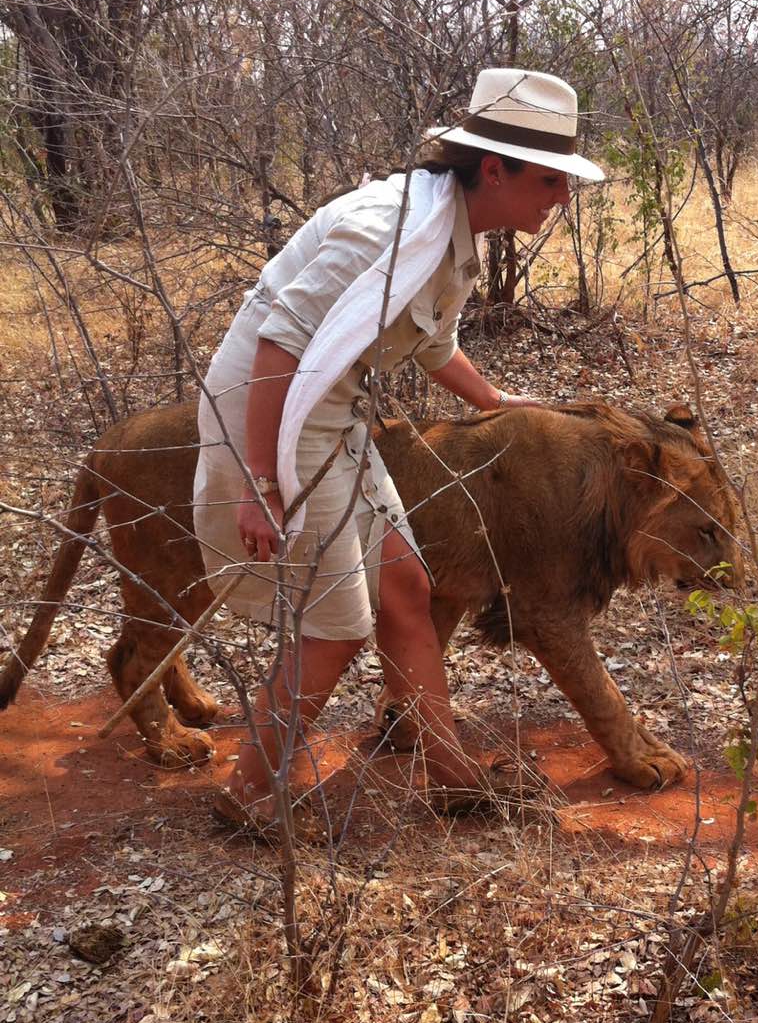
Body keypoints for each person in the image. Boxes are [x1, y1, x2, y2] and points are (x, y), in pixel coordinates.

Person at [193, 67, 605, 834]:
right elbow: (279, 341)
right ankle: (250, 796)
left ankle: (449, 776)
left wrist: (492, 400)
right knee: (337, 626)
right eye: (550, 180)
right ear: (494, 169)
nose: (561, 198)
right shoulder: (387, 227)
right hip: (273, 410)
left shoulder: (446, 232)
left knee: (407, 588)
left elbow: (432, 341)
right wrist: (259, 480)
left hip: (333, 412)